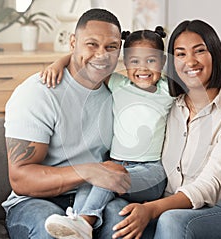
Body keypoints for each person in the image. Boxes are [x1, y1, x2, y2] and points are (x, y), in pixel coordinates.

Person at [110, 19, 221, 239]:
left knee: (171, 220)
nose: (190, 61)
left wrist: (153, 209)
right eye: (180, 54)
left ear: (215, 55)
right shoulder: (170, 103)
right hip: (168, 207)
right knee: (116, 213)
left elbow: (211, 185)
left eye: (199, 51)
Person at [2, 8, 131, 239]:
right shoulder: (39, 93)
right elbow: (20, 178)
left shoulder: (118, 91)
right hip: (35, 200)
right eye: (91, 44)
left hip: (93, 196)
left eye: (111, 47)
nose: (101, 55)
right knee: (53, 232)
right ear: (73, 42)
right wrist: (90, 171)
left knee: (125, 225)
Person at [44, 27, 172, 239]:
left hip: (151, 173)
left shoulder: (169, 89)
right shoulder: (118, 83)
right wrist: (59, 62)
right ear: (125, 63)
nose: (143, 68)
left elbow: (212, 78)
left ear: (163, 62)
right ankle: (75, 222)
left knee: (108, 175)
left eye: (151, 61)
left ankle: (85, 223)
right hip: (115, 164)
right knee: (89, 181)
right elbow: (83, 62)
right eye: (134, 62)